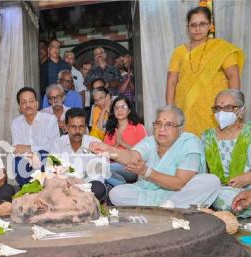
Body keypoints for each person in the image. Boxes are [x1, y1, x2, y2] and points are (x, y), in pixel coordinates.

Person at [90, 105, 221, 208]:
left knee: (211, 181)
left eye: (169, 125)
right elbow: (132, 156)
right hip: (152, 192)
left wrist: (147, 172)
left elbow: (179, 183)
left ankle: (167, 206)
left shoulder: (189, 143)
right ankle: (170, 207)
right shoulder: (150, 141)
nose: (162, 129)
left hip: (179, 191)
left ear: (180, 128)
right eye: (158, 124)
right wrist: (109, 150)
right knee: (116, 193)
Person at [166, 6, 244, 136]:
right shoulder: (179, 52)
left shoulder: (220, 48)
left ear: (209, 25)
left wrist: (234, 105)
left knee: (216, 147)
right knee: (190, 147)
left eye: (202, 24)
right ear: (188, 27)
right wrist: (169, 110)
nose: (197, 29)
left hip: (216, 110)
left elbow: (233, 75)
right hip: (186, 109)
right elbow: (171, 82)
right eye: (193, 25)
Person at [202, 89, 251, 217]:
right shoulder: (207, 137)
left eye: (228, 108)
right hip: (219, 193)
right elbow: (201, 173)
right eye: (218, 108)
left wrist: (248, 177)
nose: (221, 113)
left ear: (241, 111)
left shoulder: (249, 132)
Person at [51, 108, 107, 202]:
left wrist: (79, 187)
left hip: (87, 188)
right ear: (66, 127)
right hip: (65, 186)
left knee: (98, 188)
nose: (77, 131)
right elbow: (53, 170)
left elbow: (98, 176)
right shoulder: (57, 144)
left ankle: (73, 203)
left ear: (85, 127)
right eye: (73, 127)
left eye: (81, 127)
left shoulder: (95, 143)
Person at [12, 87, 60, 186]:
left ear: (37, 104)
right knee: (16, 162)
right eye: (24, 102)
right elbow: (17, 150)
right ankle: (30, 191)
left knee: (43, 154)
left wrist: (31, 148)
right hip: (27, 160)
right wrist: (31, 155)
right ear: (19, 107)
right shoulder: (16, 123)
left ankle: (44, 189)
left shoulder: (50, 120)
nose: (28, 105)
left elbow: (55, 148)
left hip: (47, 161)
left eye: (31, 101)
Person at [103, 96, 147, 186]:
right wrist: (115, 146)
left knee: (104, 169)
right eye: (116, 108)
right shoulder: (110, 131)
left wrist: (123, 143)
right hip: (113, 168)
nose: (120, 110)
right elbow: (104, 154)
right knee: (101, 168)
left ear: (129, 110)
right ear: (113, 112)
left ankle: (121, 187)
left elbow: (145, 154)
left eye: (123, 107)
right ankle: (123, 186)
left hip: (132, 168)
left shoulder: (138, 128)